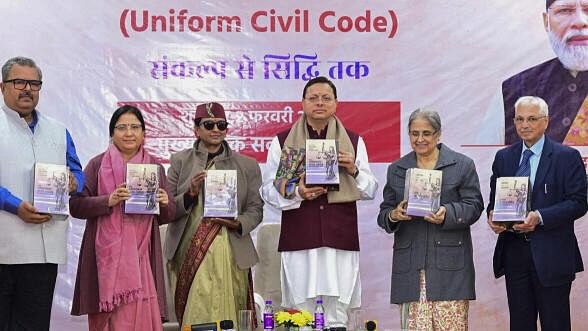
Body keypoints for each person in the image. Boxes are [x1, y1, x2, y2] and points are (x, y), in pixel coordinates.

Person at [261, 76, 378, 327]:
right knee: (301, 315)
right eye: (313, 98)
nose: (320, 103)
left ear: (336, 103)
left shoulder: (353, 141)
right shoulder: (283, 142)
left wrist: (353, 169)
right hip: (300, 240)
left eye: (326, 98)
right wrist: (296, 193)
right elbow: (267, 191)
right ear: (302, 103)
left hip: (340, 240)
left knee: (337, 315)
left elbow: (371, 189)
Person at [70, 105, 175, 330]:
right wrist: (107, 200)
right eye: (122, 127)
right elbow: (75, 206)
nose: (129, 133)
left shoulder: (154, 167)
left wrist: (165, 203)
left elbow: (167, 216)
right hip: (106, 263)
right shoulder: (97, 165)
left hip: (142, 259)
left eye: (135, 127)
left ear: (144, 133)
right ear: (112, 133)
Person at [377, 109, 484, 330]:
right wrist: (393, 214)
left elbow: (474, 206)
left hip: (450, 267)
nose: (420, 139)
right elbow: (384, 213)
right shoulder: (397, 169)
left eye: (426, 133)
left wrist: (447, 212)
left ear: (438, 135)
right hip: (410, 269)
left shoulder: (462, 165)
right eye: (414, 133)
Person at [487, 96, 587, 331]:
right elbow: (494, 201)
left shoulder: (567, 157)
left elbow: (579, 202)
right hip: (514, 254)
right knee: (520, 325)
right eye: (520, 119)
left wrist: (540, 217)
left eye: (532, 119)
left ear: (546, 122)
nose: (524, 125)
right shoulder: (504, 157)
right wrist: (493, 216)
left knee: (555, 324)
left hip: (552, 254)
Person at [0, 56, 84, 330]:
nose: (27, 89)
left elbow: (78, 174)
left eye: (34, 83)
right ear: (3, 87)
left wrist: (74, 183)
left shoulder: (59, 131)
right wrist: (14, 206)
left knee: (34, 325)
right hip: (3, 246)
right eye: (19, 82)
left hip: (42, 250)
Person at [164, 102, 263, 326]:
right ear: (196, 129)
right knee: (197, 311)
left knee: (230, 315)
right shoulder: (180, 161)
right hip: (189, 249)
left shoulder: (247, 165)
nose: (216, 129)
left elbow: (256, 209)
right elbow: (167, 209)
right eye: (208, 125)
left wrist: (238, 223)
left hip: (231, 250)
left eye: (221, 125)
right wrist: (190, 193)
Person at [478, 0, 588, 144]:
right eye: (565, 11)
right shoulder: (512, 90)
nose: (580, 21)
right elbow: (485, 160)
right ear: (546, 21)